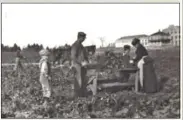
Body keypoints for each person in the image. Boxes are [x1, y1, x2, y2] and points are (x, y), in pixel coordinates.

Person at [71, 32, 89, 98]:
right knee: (78, 81)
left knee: (83, 80)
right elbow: (73, 57)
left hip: (82, 66)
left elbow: (85, 55)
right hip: (77, 66)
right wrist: (80, 63)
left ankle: (82, 95)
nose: (84, 39)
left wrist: (86, 61)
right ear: (80, 37)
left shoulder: (81, 46)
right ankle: (76, 96)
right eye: (83, 38)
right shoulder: (75, 45)